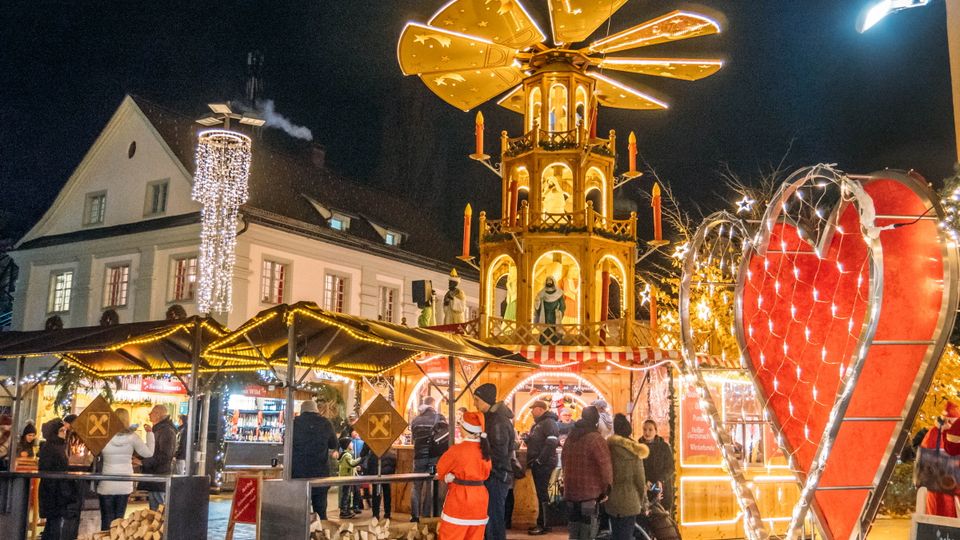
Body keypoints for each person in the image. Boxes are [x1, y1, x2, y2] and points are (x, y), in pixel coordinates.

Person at [437, 411, 493, 540]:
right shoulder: (485, 451)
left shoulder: (457, 450)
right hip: (480, 498)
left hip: (459, 498)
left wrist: (448, 477)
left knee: (451, 535)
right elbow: (487, 471)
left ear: (465, 429)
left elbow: (441, 469)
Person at [97, 408, 156, 530]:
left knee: (106, 519)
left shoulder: (104, 435)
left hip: (106, 481)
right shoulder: (133, 437)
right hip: (124, 482)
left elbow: (93, 452)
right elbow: (148, 453)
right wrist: (150, 433)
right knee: (119, 520)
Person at [562, 406, 613, 540]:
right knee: (587, 531)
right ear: (596, 420)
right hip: (589, 493)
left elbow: (563, 459)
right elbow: (605, 466)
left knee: (573, 530)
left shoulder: (571, 436)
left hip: (571, 490)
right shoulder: (596, 438)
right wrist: (607, 488)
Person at [473, 383, 515, 540]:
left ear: (486, 400)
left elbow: (499, 453)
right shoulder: (493, 418)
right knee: (492, 517)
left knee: (494, 518)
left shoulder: (497, 421)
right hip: (495, 474)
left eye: (477, 400)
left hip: (496, 475)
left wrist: (483, 460)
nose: (474, 403)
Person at [292, 400, 339, 521]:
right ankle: (320, 533)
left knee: (300, 513)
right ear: (316, 409)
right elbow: (333, 443)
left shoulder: (294, 423)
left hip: (298, 475)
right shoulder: (325, 423)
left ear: (302, 410)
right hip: (320, 474)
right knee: (321, 512)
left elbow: (285, 443)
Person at [38, 418, 82, 540]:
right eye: (61, 431)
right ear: (54, 432)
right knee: (55, 523)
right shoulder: (53, 448)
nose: (64, 433)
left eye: (64, 430)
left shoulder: (55, 446)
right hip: (55, 491)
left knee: (52, 523)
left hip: (55, 490)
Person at [607, 414, 649, 540]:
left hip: (612, 499)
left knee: (615, 535)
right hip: (631, 500)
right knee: (627, 534)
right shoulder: (635, 450)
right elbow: (640, 480)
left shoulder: (608, 447)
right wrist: (643, 502)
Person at [410, 395, 447, 522]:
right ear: (433, 404)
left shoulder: (415, 420)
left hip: (418, 456)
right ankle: (426, 515)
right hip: (433, 457)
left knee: (416, 486)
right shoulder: (439, 417)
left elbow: (413, 438)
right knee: (430, 485)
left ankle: (415, 516)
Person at [524, 401, 559, 535]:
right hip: (541, 463)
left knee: (542, 494)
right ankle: (543, 523)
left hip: (543, 464)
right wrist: (529, 440)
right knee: (541, 494)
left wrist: (539, 461)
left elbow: (552, 443)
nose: (531, 412)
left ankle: (544, 525)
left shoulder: (548, 422)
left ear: (540, 409)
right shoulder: (540, 423)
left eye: (533, 409)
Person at [921, 402, 960, 517]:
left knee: (935, 513)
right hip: (952, 484)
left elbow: (925, 453)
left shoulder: (933, 432)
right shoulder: (952, 434)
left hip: (935, 484)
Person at [139, 405, 177, 511]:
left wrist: (144, 462)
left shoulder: (166, 431)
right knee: (155, 507)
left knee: (158, 508)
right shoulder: (159, 430)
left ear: (158, 415)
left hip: (159, 475)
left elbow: (164, 455)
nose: (149, 415)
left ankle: (162, 527)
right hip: (155, 476)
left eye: (152, 412)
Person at [639, 419, 675, 514]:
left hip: (661, 489)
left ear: (656, 431)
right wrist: (644, 481)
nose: (647, 432)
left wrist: (660, 480)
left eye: (650, 429)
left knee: (663, 522)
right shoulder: (638, 447)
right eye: (645, 429)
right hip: (645, 490)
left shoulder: (664, 447)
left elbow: (670, 467)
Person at [359, 445, 396, 520]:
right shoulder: (388, 433)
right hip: (389, 462)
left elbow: (363, 453)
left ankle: (376, 514)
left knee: (376, 490)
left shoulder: (371, 435)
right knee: (386, 489)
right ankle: (387, 513)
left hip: (376, 463)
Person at [534, 277, 565, 344]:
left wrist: (560, 312)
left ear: (553, 282)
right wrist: (537, 301)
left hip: (555, 315)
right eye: (547, 280)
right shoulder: (542, 293)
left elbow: (562, 305)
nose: (549, 282)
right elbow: (537, 304)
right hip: (545, 314)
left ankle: (555, 342)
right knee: (545, 329)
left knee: (554, 329)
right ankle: (545, 341)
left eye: (550, 280)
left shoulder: (559, 292)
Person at [337, 437, 362, 518]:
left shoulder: (346, 454)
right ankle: (344, 511)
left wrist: (356, 468)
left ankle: (347, 510)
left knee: (347, 494)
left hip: (347, 478)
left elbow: (349, 466)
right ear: (347, 445)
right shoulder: (347, 455)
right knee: (346, 495)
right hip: (346, 478)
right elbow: (351, 464)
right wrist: (360, 459)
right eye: (351, 443)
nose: (352, 444)